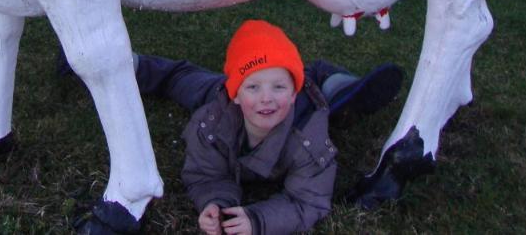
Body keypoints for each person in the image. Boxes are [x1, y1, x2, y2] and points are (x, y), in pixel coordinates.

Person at [138, 20, 401, 234]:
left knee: (314, 93)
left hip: (301, 104)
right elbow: (206, 175)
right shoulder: (213, 119)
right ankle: (134, 64)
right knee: (182, 81)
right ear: (235, 94)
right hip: (226, 93)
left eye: (278, 88)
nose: (266, 98)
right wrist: (215, 203)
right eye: (254, 87)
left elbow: (309, 201)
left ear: (293, 94)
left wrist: (257, 220)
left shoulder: (308, 141)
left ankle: (331, 81)